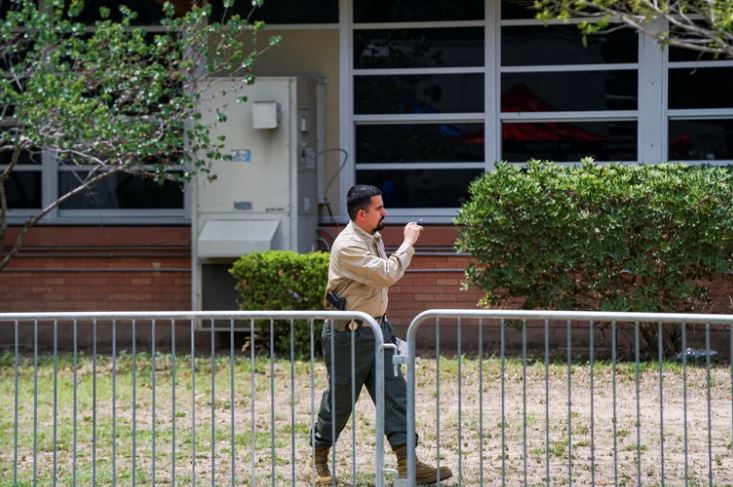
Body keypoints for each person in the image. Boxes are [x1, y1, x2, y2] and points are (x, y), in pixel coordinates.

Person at [309, 184, 452, 485]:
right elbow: (387, 273)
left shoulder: (371, 236)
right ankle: (318, 462)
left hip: (377, 330)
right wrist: (408, 243)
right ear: (362, 214)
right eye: (379, 207)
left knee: (395, 396)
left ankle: (407, 463)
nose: (384, 212)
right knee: (340, 400)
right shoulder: (348, 244)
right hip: (348, 336)